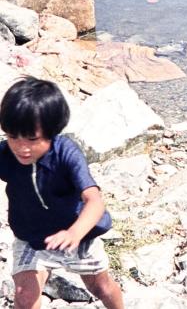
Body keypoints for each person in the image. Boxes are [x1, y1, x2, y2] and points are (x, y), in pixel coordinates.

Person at [0, 77, 124, 309]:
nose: (21, 147)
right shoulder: (6, 154)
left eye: (32, 139)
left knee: (101, 287)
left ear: (51, 131)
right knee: (24, 295)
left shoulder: (66, 153)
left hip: (79, 235)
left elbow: (94, 201)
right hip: (33, 238)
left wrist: (74, 233)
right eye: (13, 136)